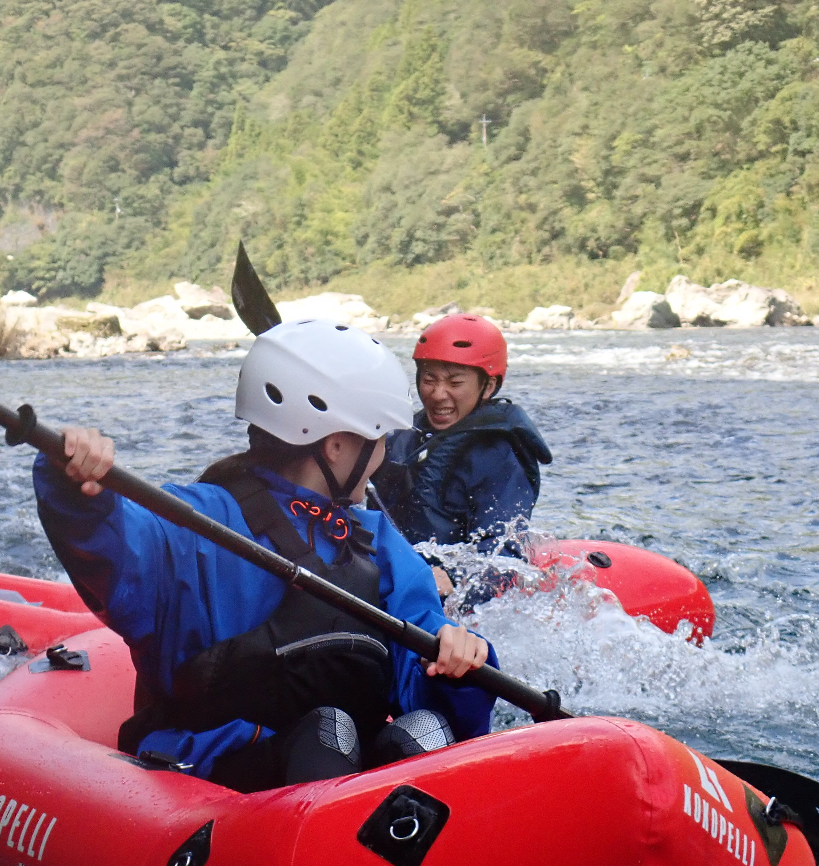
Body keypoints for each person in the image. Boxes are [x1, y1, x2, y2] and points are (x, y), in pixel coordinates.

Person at [32, 319, 498, 792]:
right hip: (213, 770)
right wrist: (77, 489)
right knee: (327, 732)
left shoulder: (376, 542)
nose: (383, 457)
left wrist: (459, 661)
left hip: (338, 780)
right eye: (378, 441)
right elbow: (110, 547)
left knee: (423, 732)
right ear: (336, 446)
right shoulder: (192, 523)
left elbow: (423, 681)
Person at [371, 313, 552, 598]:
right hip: (392, 572)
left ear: (488, 387)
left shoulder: (501, 457)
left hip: (443, 592)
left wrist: (455, 579)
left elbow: (503, 553)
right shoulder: (403, 434)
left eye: (455, 383)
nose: (438, 394)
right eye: (429, 379)